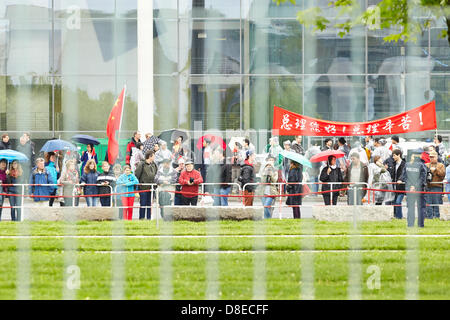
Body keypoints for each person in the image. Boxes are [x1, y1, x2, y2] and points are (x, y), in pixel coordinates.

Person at [404, 150, 428, 228]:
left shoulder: (407, 165)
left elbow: (404, 177)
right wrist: (415, 186)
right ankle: (420, 225)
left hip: (409, 189)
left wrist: (411, 186)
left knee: (410, 207)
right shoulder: (422, 165)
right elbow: (422, 178)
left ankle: (410, 225)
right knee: (421, 207)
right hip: (420, 189)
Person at [134, 150, 158, 220]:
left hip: (152, 187)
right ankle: (141, 218)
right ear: (150, 156)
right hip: (143, 188)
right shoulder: (141, 164)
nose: (154, 157)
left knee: (149, 204)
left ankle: (149, 218)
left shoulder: (153, 164)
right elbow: (137, 175)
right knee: (143, 204)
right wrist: (138, 186)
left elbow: (156, 174)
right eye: (154, 155)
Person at [384, 149, 406, 219]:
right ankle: (395, 216)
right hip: (394, 186)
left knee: (398, 202)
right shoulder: (393, 164)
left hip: (401, 186)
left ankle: (399, 217)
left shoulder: (404, 164)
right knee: (394, 202)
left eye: (394, 155)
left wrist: (400, 179)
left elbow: (404, 173)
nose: (393, 157)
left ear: (399, 155)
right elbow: (391, 173)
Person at [425, 150, 445, 219]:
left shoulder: (441, 165)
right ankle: (429, 217)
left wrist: (435, 170)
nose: (431, 158)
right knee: (428, 203)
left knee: (437, 203)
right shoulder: (426, 165)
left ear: (436, 157)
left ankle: (437, 217)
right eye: (430, 157)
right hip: (428, 187)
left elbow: (443, 175)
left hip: (437, 187)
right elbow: (422, 175)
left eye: (433, 157)